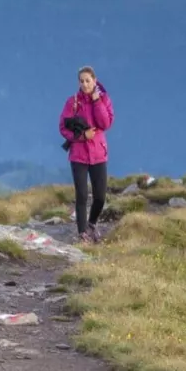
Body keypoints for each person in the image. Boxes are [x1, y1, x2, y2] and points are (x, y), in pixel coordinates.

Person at [59, 65, 114, 243]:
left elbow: (105, 124)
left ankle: (92, 224)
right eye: (81, 81)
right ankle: (82, 233)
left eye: (88, 80)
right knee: (81, 195)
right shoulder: (72, 102)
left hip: (98, 154)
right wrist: (82, 136)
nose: (84, 84)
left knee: (100, 196)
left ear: (95, 81)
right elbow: (63, 127)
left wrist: (97, 102)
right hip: (79, 155)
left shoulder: (104, 99)